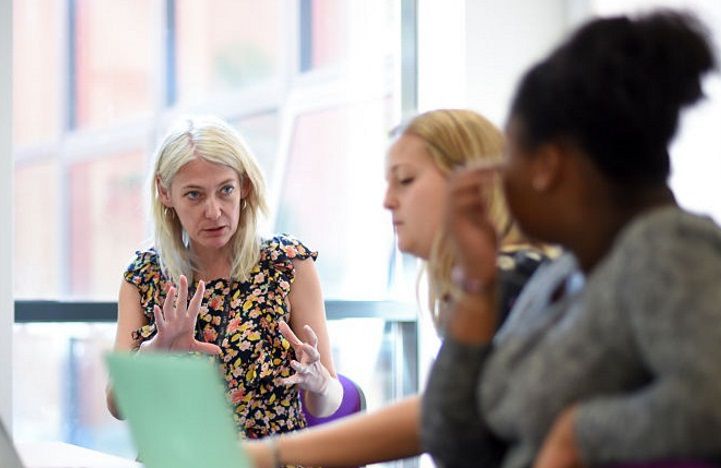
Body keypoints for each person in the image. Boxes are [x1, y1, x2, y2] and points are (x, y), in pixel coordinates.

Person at [422, 10, 721, 468]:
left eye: (508, 153)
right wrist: (476, 285)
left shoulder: (666, 249)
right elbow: (457, 445)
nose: (496, 176)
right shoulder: (567, 273)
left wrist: (579, 434)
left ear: (546, 166)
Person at [243, 109, 552, 467]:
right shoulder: (497, 281)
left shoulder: (513, 282)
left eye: (405, 180)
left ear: (473, 185)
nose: (388, 200)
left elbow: (435, 415)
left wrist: (269, 454)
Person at [106, 115, 343, 440]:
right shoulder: (144, 276)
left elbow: (329, 401)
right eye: (194, 195)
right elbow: (118, 407)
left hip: (270, 461)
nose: (214, 211)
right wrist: (153, 354)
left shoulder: (287, 265)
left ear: (244, 186)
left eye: (226, 190)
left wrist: (319, 382)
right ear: (165, 192)